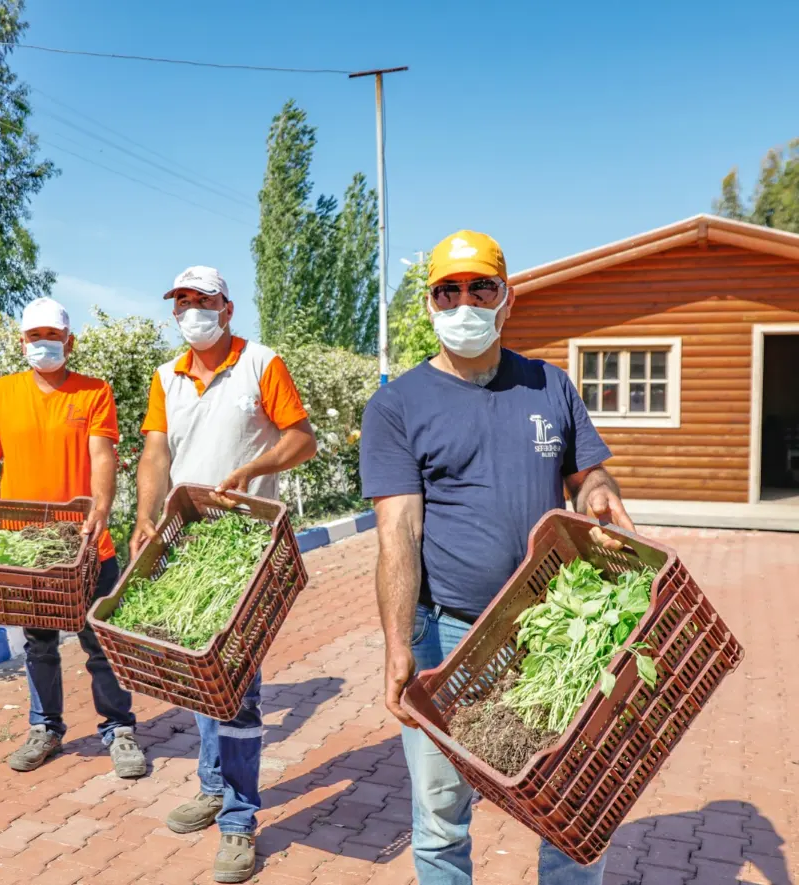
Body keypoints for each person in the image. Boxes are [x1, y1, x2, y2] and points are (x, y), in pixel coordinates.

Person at [360, 230, 635, 885]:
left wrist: (600, 495)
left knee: (574, 800)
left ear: (507, 298)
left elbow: (589, 476)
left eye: (481, 286)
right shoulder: (397, 406)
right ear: (428, 304)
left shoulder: (550, 386)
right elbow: (397, 533)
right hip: (451, 635)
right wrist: (399, 643)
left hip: (555, 629)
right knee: (440, 814)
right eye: (447, 290)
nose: (465, 302)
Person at [131, 266, 317, 884]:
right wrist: (145, 516)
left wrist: (252, 468)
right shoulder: (167, 376)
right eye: (181, 302)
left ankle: (239, 820)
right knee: (198, 669)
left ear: (227, 308)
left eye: (201, 301)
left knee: (238, 681)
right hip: (187, 541)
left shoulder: (262, 363)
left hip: (245, 542)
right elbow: (156, 452)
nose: (190, 311)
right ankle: (213, 787)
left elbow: (303, 440)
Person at [0, 297, 146, 779]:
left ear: (70, 341)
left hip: (85, 543)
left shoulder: (94, 392)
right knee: (39, 642)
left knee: (101, 642)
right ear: (21, 341)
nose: (42, 344)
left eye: (51, 335)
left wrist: (101, 506)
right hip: (25, 547)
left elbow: (103, 456)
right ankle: (44, 727)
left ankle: (119, 729)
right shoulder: (4, 392)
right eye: (33, 336)